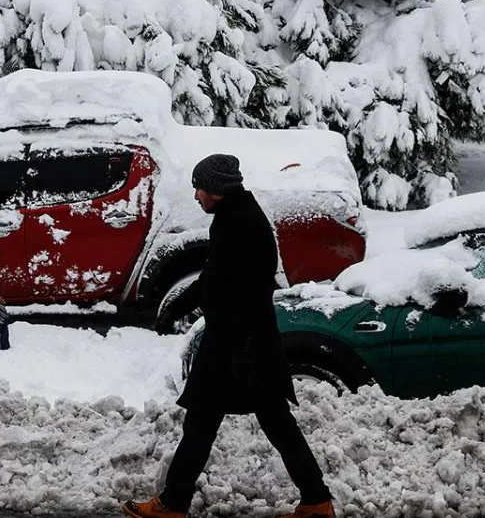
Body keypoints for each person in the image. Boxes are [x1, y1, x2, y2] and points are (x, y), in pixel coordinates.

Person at [121, 154, 336, 518]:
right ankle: (316, 501)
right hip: (240, 343)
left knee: (224, 421)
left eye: (199, 189)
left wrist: (235, 340)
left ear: (217, 190)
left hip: (240, 347)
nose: (196, 196)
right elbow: (214, 276)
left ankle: (173, 505)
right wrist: (178, 306)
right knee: (246, 422)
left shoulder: (241, 224)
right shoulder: (234, 218)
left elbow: (234, 286)